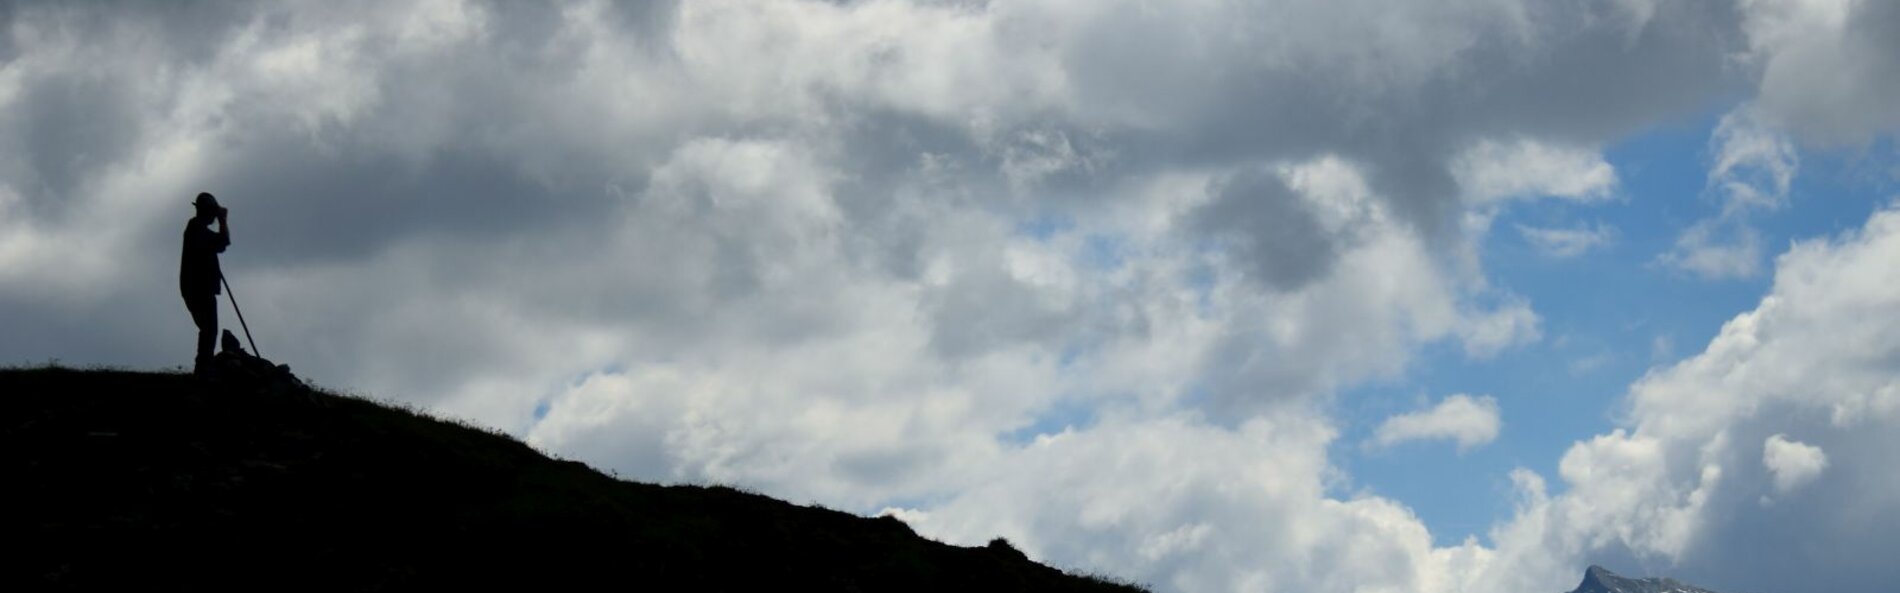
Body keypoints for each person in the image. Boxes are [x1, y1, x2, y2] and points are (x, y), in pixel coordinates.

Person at [180, 192, 230, 374]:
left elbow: (221, 244)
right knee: (209, 329)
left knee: (208, 329)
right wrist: (223, 221)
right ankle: (203, 369)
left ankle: (204, 367)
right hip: (199, 288)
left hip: (198, 287)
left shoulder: (197, 228)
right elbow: (223, 242)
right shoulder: (196, 227)